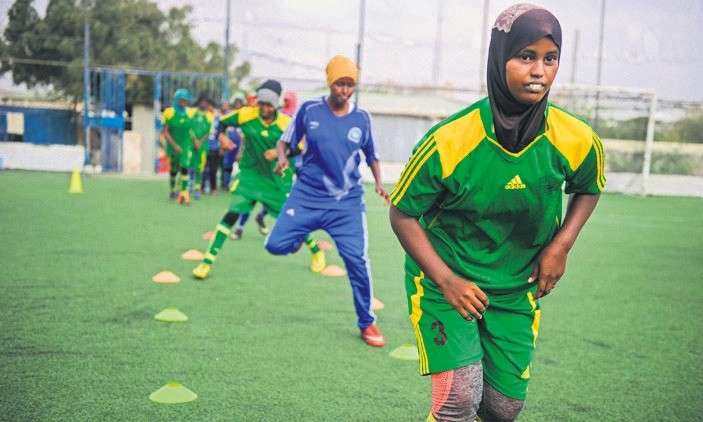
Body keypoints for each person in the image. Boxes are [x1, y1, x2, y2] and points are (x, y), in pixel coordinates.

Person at [388, 4, 605, 421]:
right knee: (458, 402)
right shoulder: (449, 141)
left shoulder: (577, 138)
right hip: (447, 281)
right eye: (526, 56)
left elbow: (588, 186)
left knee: (503, 410)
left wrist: (562, 245)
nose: (539, 70)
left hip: (516, 288)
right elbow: (401, 215)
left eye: (550, 58)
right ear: (498, 57)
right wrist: (447, 280)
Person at [266, 55, 390, 348]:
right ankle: (299, 235)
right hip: (307, 195)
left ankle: (367, 323)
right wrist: (283, 159)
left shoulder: (362, 117)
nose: (344, 90)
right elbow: (284, 142)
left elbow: (371, 155)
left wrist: (381, 184)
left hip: (346, 203)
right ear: (330, 82)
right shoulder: (309, 109)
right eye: (339, 84)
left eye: (349, 85)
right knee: (275, 245)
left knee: (358, 262)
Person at [192, 80, 325, 280]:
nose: (264, 108)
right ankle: (206, 262)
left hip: (275, 180)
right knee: (231, 214)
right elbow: (222, 123)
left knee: (292, 220)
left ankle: (316, 252)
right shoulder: (246, 114)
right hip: (249, 176)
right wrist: (222, 139)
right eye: (261, 103)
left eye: (268, 104)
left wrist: (282, 151)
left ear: (277, 105)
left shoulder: (285, 123)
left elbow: (300, 147)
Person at [161, 88, 194, 204]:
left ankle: (184, 194)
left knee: (185, 167)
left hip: (186, 144)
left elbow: (191, 129)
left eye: (185, 100)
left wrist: (195, 140)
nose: (183, 102)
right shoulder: (168, 113)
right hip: (172, 145)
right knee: (174, 170)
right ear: (176, 100)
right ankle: (172, 190)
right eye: (181, 100)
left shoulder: (190, 113)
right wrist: (174, 145)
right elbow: (165, 132)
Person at [190, 93, 214, 200]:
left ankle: (197, 189)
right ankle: (186, 186)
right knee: (188, 165)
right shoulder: (192, 113)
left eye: (205, 101)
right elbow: (188, 127)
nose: (203, 103)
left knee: (200, 168)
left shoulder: (209, 115)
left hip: (203, 146)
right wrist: (194, 140)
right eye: (202, 101)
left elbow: (210, 132)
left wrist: (200, 142)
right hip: (190, 144)